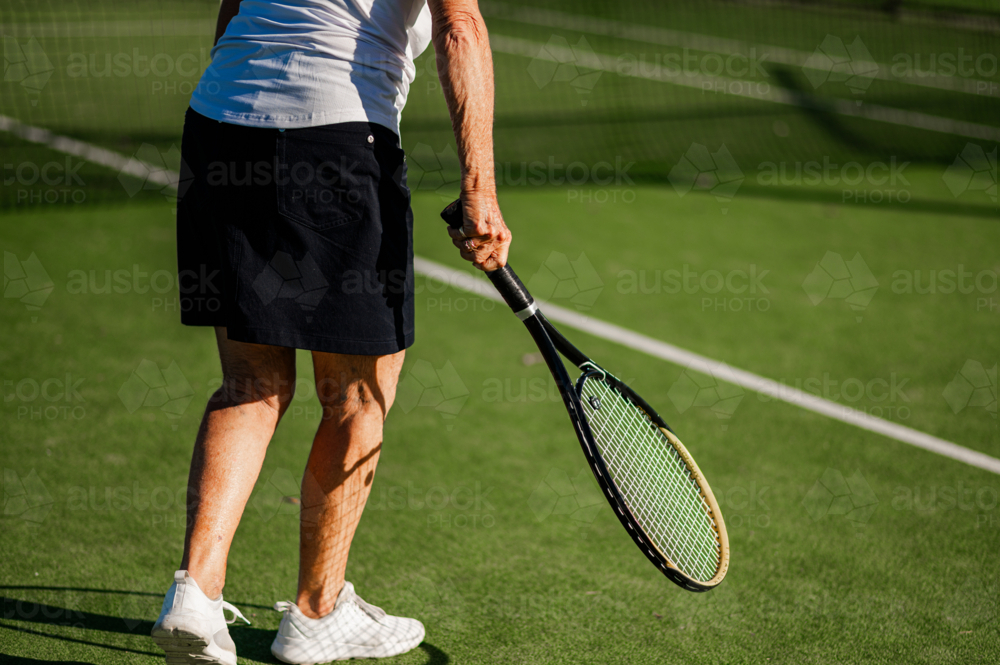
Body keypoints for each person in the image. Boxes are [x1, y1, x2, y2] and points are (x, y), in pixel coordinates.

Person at [150, 0, 511, 662]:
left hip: (221, 125)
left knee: (249, 383)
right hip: (336, 139)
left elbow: (235, 7)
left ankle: (194, 595)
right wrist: (480, 189)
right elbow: (462, 26)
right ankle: (317, 613)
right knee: (358, 395)